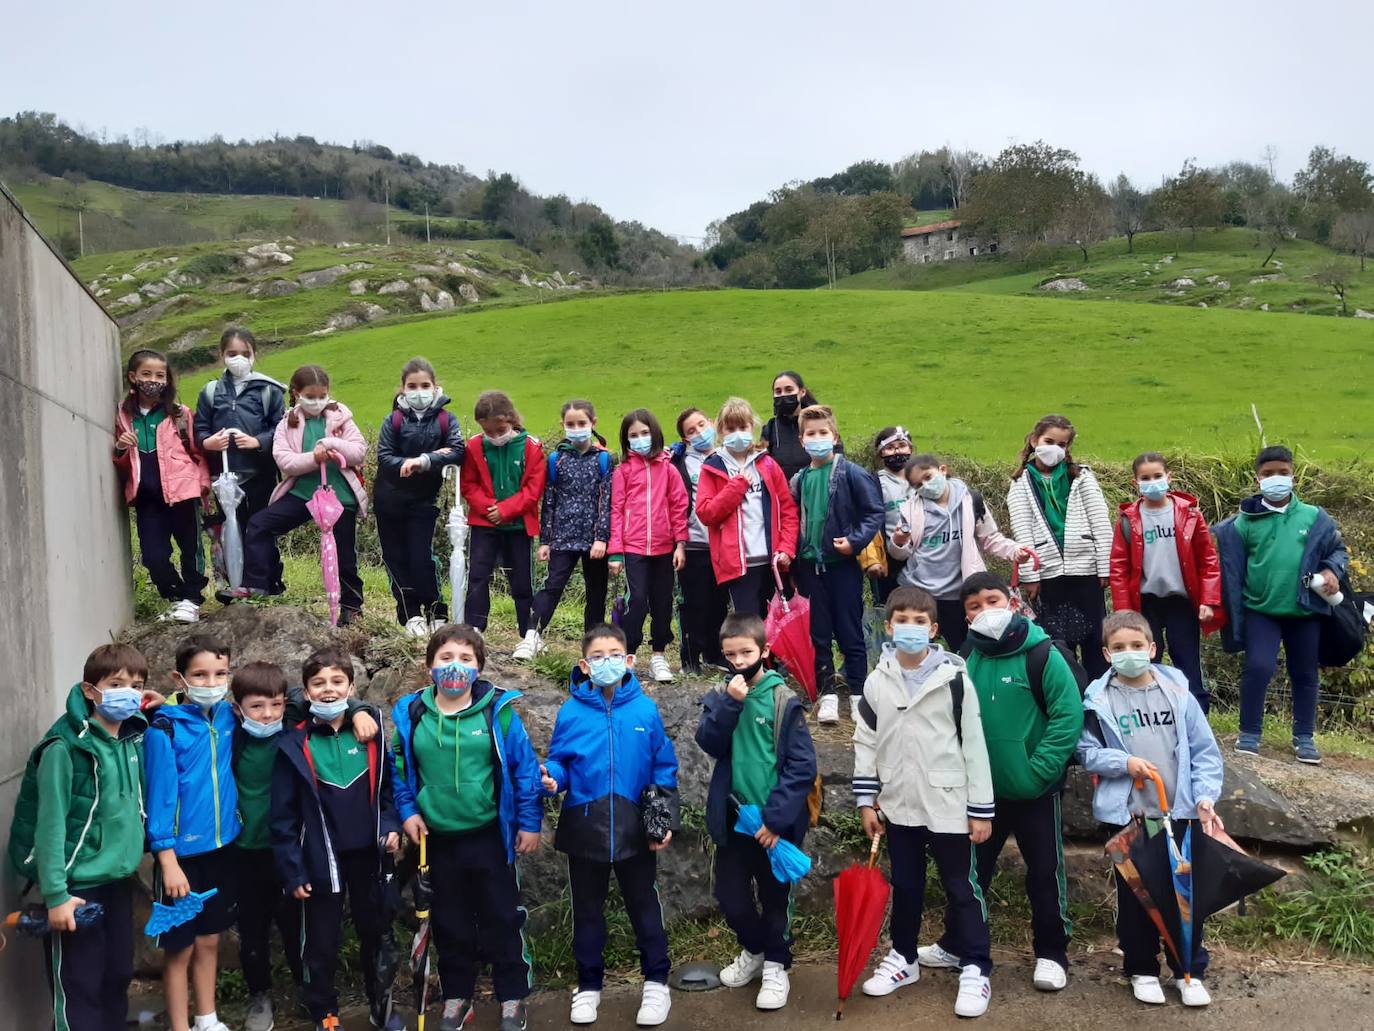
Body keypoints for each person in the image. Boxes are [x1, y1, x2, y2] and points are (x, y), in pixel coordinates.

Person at [919, 572, 1083, 993]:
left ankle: (1051, 953)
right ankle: (957, 943)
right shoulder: (965, 658)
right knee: (970, 874)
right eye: (973, 606)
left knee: (1044, 873)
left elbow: (1067, 718)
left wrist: (1038, 771)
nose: (983, 611)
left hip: (1035, 791)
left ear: (1012, 602)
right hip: (981, 795)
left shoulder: (1044, 654)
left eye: (992, 600)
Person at [391, 625, 543, 1031]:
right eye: (445, 658)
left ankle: (513, 996)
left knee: (501, 918)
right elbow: (400, 772)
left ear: (478, 668)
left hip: (490, 836)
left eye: (465, 659)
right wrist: (407, 812)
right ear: (429, 666)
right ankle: (458, 996)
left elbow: (524, 771)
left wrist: (529, 822)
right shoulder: (412, 714)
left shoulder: (499, 713)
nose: (454, 667)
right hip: (436, 840)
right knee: (449, 921)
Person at [852, 587, 995, 1019]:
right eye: (901, 620)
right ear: (888, 626)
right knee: (907, 885)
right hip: (899, 803)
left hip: (949, 803)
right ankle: (903, 957)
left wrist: (980, 808)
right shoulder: (877, 681)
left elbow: (974, 745)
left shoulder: (955, 680)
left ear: (933, 629)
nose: (909, 628)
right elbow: (866, 742)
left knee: (961, 887)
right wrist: (866, 800)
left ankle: (975, 966)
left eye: (919, 621)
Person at [1078, 611, 1224, 1008]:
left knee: (1183, 895)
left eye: (1137, 646)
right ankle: (1141, 969)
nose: (1129, 654)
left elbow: (1204, 750)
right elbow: (1086, 751)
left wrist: (1205, 796)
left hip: (1180, 814)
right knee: (1136, 897)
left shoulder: (1177, 693)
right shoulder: (1098, 698)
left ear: (1152, 648)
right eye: (1120, 648)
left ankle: (1188, 970)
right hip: (1132, 817)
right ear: (1107, 653)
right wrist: (1123, 763)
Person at [539, 624, 679, 1026]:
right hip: (586, 828)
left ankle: (656, 983)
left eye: (615, 654)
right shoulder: (571, 710)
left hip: (636, 828)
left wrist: (663, 818)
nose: (607, 662)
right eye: (598, 656)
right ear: (585, 664)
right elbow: (561, 762)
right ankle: (588, 987)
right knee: (586, 910)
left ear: (629, 660)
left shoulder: (645, 709)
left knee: (645, 905)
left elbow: (663, 767)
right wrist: (552, 778)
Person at [7, 644, 150, 1031]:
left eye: (136, 685)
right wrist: (55, 896)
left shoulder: (131, 738)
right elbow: (49, 826)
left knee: (117, 975)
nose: (128, 692)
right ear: (90, 690)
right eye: (116, 683)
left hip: (117, 882)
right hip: (75, 888)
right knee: (78, 987)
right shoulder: (64, 748)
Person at [232, 661, 378, 1031]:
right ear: (238, 709)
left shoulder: (292, 725)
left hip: (299, 848)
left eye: (276, 705)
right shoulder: (230, 732)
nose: (267, 714)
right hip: (247, 849)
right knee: (254, 929)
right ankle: (261, 995)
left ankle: (311, 995)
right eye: (257, 707)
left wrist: (360, 708)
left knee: (306, 930)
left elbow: (327, 693)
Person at [271, 649, 403, 1031]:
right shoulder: (293, 744)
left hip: (370, 858)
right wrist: (293, 872)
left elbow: (388, 793)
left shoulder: (371, 733)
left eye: (336, 681)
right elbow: (282, 818)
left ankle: (382, 1002)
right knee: (321, 942)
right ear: (306, 693)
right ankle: (324, 1012)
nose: (328, 690)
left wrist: (390, 825)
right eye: (318, 683)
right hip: (318, 862)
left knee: (375, 932)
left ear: (352, 687)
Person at [695, 613, 817, 1012]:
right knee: (730, 896)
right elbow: (710, 742)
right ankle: (756, 951)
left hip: (776, 824)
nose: (738, 660)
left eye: (746, 652)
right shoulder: (721, 693)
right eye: (731, 654)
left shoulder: (784, 700)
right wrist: (731, 703)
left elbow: (801, 767)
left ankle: (777, 965)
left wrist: (776, 820)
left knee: (775, 898)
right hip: (735, 820)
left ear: (764, 651)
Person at [1213, 445, 1349, 764]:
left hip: (1305, 610)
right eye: (1268, 474)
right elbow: (1230, 567)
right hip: (1261, 609)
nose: (1276, 479)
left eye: (1283, 473)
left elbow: (1337, 550)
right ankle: (1249, 733)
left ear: (1294, 476)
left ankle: (1304, 737)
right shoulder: (1243, 522)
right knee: (1258, 666)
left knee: (1304, 672)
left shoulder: (1315, 517)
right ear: (1257, 478)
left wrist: (1332, 570)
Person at [145, 637, 244, 1031]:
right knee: (179, 947)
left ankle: (207, 1018)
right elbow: (160, 799)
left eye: (220, 673)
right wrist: (166, 861)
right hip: (180, 860)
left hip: (223, 848)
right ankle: (180, 1026)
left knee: (209, 939)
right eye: (200, 675)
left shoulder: (229, 715)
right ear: (180, 678)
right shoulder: (164, 728)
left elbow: (279, 700)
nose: (212, 681)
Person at [239, 365, 368, 624]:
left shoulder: (341, 418)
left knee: (344, 555)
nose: (317, 402)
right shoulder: (287, 424)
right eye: (311, 396)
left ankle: (352, 607)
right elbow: (285, 462)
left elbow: (359, 451)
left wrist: (331, 443)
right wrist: (314, 457)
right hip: (303, 493)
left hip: (339, 496)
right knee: (259, 525)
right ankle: (259, 585)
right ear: (296, 393)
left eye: (322, 396)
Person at [788, 404, 884, 723]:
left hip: (843, 567)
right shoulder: (799, 479)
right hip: (808, 569)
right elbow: (789, 519)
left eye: (823, 433)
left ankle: (858, 693)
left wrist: (854, 541)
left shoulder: (852, 473)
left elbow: (874, 513)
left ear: (835, 436)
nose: (817, 438)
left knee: (850, 631)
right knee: (818, 634)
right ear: (802, 440)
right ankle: (827, 694)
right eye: (811, 434)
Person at [1109, 452, 1223, 712]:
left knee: (1188, 661)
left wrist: (1209, 600)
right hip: (1144, 603)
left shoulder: (1190, 515)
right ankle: (1148, 713)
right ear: (1135, 482)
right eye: (1145, 478)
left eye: (1157, 476)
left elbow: (1208, 560)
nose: (1152, 482)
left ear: (1169, 477)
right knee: (1145, 660)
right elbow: (1119, 567)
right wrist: (1125, 612)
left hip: (1181, 601)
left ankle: (1197, 717)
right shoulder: (1128, 520)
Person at [888, 453, 1033, 652]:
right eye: (918, 485)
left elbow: (990, 538)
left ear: (942, 470)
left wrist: (1015, 551)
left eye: (928, 477)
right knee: (918, 652)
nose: (925, 486)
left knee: (967, 650)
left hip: (959, 594)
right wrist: (898, 541)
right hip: (921, 592)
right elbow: (899, 554)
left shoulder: (971, 501)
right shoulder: (910, 510)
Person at [1005, 414, 1113, 676]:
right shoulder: (1020, 483)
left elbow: (1101, 522)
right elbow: (1023, 532)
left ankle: (1097, 699)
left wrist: (1105, 568)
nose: (1055, 448)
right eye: (1049, 441)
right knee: (1059, 640)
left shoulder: (1082, 477)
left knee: (1095, 637)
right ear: (1034, 441)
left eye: (1062, 444)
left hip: (1085, 569)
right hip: (1049, 574)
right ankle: (1069, 693)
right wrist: (1031, 576)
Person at [113, 349, 211, 624]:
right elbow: (121, 464)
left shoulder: (180, 414)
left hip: (182, 493)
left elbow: (197, 452)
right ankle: (176, 597)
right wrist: (120, 449)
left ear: (167, 380)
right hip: (147, 500)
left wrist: (203, 485)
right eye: (146, 374)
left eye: (159, 375)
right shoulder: (122, 416)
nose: (153, 380)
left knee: (191, 549)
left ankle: (192, 598)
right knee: (154, 557)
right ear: (133, 377)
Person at [375, 357, 466, 636]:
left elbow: (458, 450)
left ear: (435, 386)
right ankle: (410, 613)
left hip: (424, 500)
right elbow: (384, 456)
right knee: (395, 557)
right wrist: (407, 462)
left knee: (420, 557)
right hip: (388, 498)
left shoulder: (445, 419)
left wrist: (424, 460)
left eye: (425, 385)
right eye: (412, 386)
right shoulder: (393, 420)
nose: (419, 391)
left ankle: (436, 608)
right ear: (402, 389)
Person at [194, 327, 287, 600]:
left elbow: (280, 429)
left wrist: (258, 441)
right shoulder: (210, 392)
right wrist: (207, 442)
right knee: (226, 531)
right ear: (221, 355)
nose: (239, 359)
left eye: (245, 354)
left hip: (260, 473)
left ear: (254, 355)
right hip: (224, 476)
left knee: (259, 528)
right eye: (232, 353)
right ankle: (231, 584)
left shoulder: (269, 391)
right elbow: (200, 427)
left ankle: (267, 583)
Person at [522, 400, 614, 659]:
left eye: (582, 423)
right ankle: (532, 636)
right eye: (571, 424)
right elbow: (549, 501)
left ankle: (593, 648)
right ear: (563, 425)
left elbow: (607, 501)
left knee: (597, 592)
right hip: (562, 537)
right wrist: (545, 540)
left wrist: (602, 538)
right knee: (553, 585)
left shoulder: (604, 459)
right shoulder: (556, 459)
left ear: (593, 423)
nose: (576, 428)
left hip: (594, 541)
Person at [696, 397, 799, 620]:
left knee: (778, 624)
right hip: (738, 565)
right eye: (731, 428)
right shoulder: (712, 467)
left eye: (743, 427)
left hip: (773, 562)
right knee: (749, 627)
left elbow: (788, 510)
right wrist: (737, 486)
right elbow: (706, 513)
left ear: (752, 427)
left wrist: (787, 548)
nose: (738, 433)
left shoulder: (768, 464)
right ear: (721, 431)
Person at [608, 408, 688, 683]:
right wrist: (615, 552)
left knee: (663, 603)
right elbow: (616, 510)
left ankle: (659, 656)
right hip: (633, 548)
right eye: (633, 435)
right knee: (637, 601)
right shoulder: (623, 471)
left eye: (644, 433)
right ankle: (627, 655)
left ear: (654, 434)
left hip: (665, 549)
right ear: (626, 440)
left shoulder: (669, 469)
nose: (640, 438)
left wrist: (680, 544)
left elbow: (679, 507)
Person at [460, 390, 546, 639]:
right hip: (485, 524)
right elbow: (469, 484)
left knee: (521, 581)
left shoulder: (531, 446)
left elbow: (533, 489)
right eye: (489, 432)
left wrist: (506, 510)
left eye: (500, 430)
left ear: (511, 420)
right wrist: (490, 509)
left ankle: (528, 633)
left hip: (518, 526)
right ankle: (474, 629)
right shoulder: (475, 446)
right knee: (478, 575)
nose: (495, 436)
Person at [669, 406, 729, 672]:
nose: (699, 433)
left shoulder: (728, 457)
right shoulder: (680, 462)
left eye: (702, 425)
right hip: (694, 543)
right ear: (685, 439)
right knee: (694, 602)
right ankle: (690, 658)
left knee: (719, 602)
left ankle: (715, 655)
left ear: (713, 423)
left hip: (724, 544)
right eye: (691, 431)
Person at [761, 371, 843, 482]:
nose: (783, 395)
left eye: (789, 390)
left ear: (802, 392)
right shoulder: (770, 429)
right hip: (783, 496)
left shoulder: (820, 423)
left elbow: (838, 463)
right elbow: (763, 468)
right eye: (778, 391)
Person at [867, 426, 915, 605]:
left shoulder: (923, 480)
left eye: (902, 445)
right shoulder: (875, 483)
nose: (897, 451)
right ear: (881, 453)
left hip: (923, 557)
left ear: (910, 449)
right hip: (890, 560)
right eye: (890, 447)